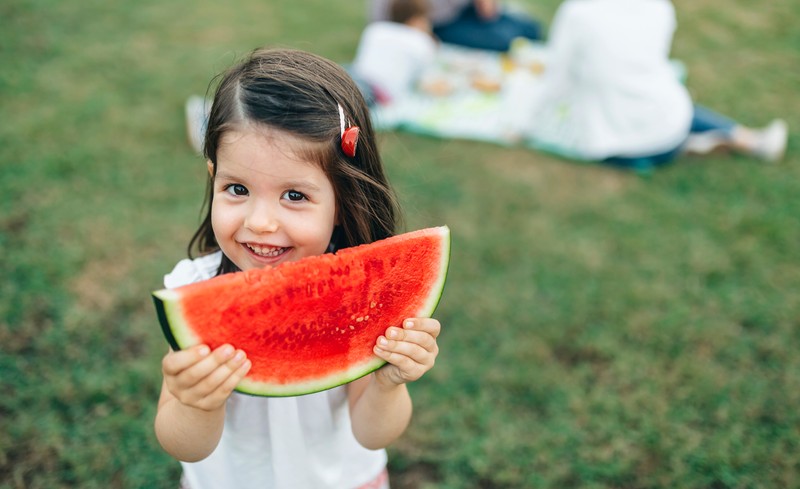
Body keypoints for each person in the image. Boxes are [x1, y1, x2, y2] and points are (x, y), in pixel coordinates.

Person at [156, 47, 442, 489]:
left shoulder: (364, 298)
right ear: (212, 177)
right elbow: (184, 444)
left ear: (343, 203)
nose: (260, 222)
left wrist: (389, 383)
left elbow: (372, 434)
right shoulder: (191, 288)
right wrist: (196, 401)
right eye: (237, 188)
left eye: (294, 196)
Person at [524, 0, 788, 169]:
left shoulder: (578, 13)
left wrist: (525, 120)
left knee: (596, 106)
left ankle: (689, 145)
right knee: (669, 99)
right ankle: (750, 140)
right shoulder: (660, 7)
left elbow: (555, 81)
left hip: (616, 149)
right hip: (667, 125)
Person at [370, 0, 544, 52]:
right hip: (440, 22)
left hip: (465, 9)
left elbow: (488, 12)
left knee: (532, 29)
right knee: (504, 39)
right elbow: (393, 17)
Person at [352, 0, 438, 104]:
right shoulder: (421, 41)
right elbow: (426, 81)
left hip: (355, 77)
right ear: (416, 20)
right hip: (379, 95)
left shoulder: (375, 29)